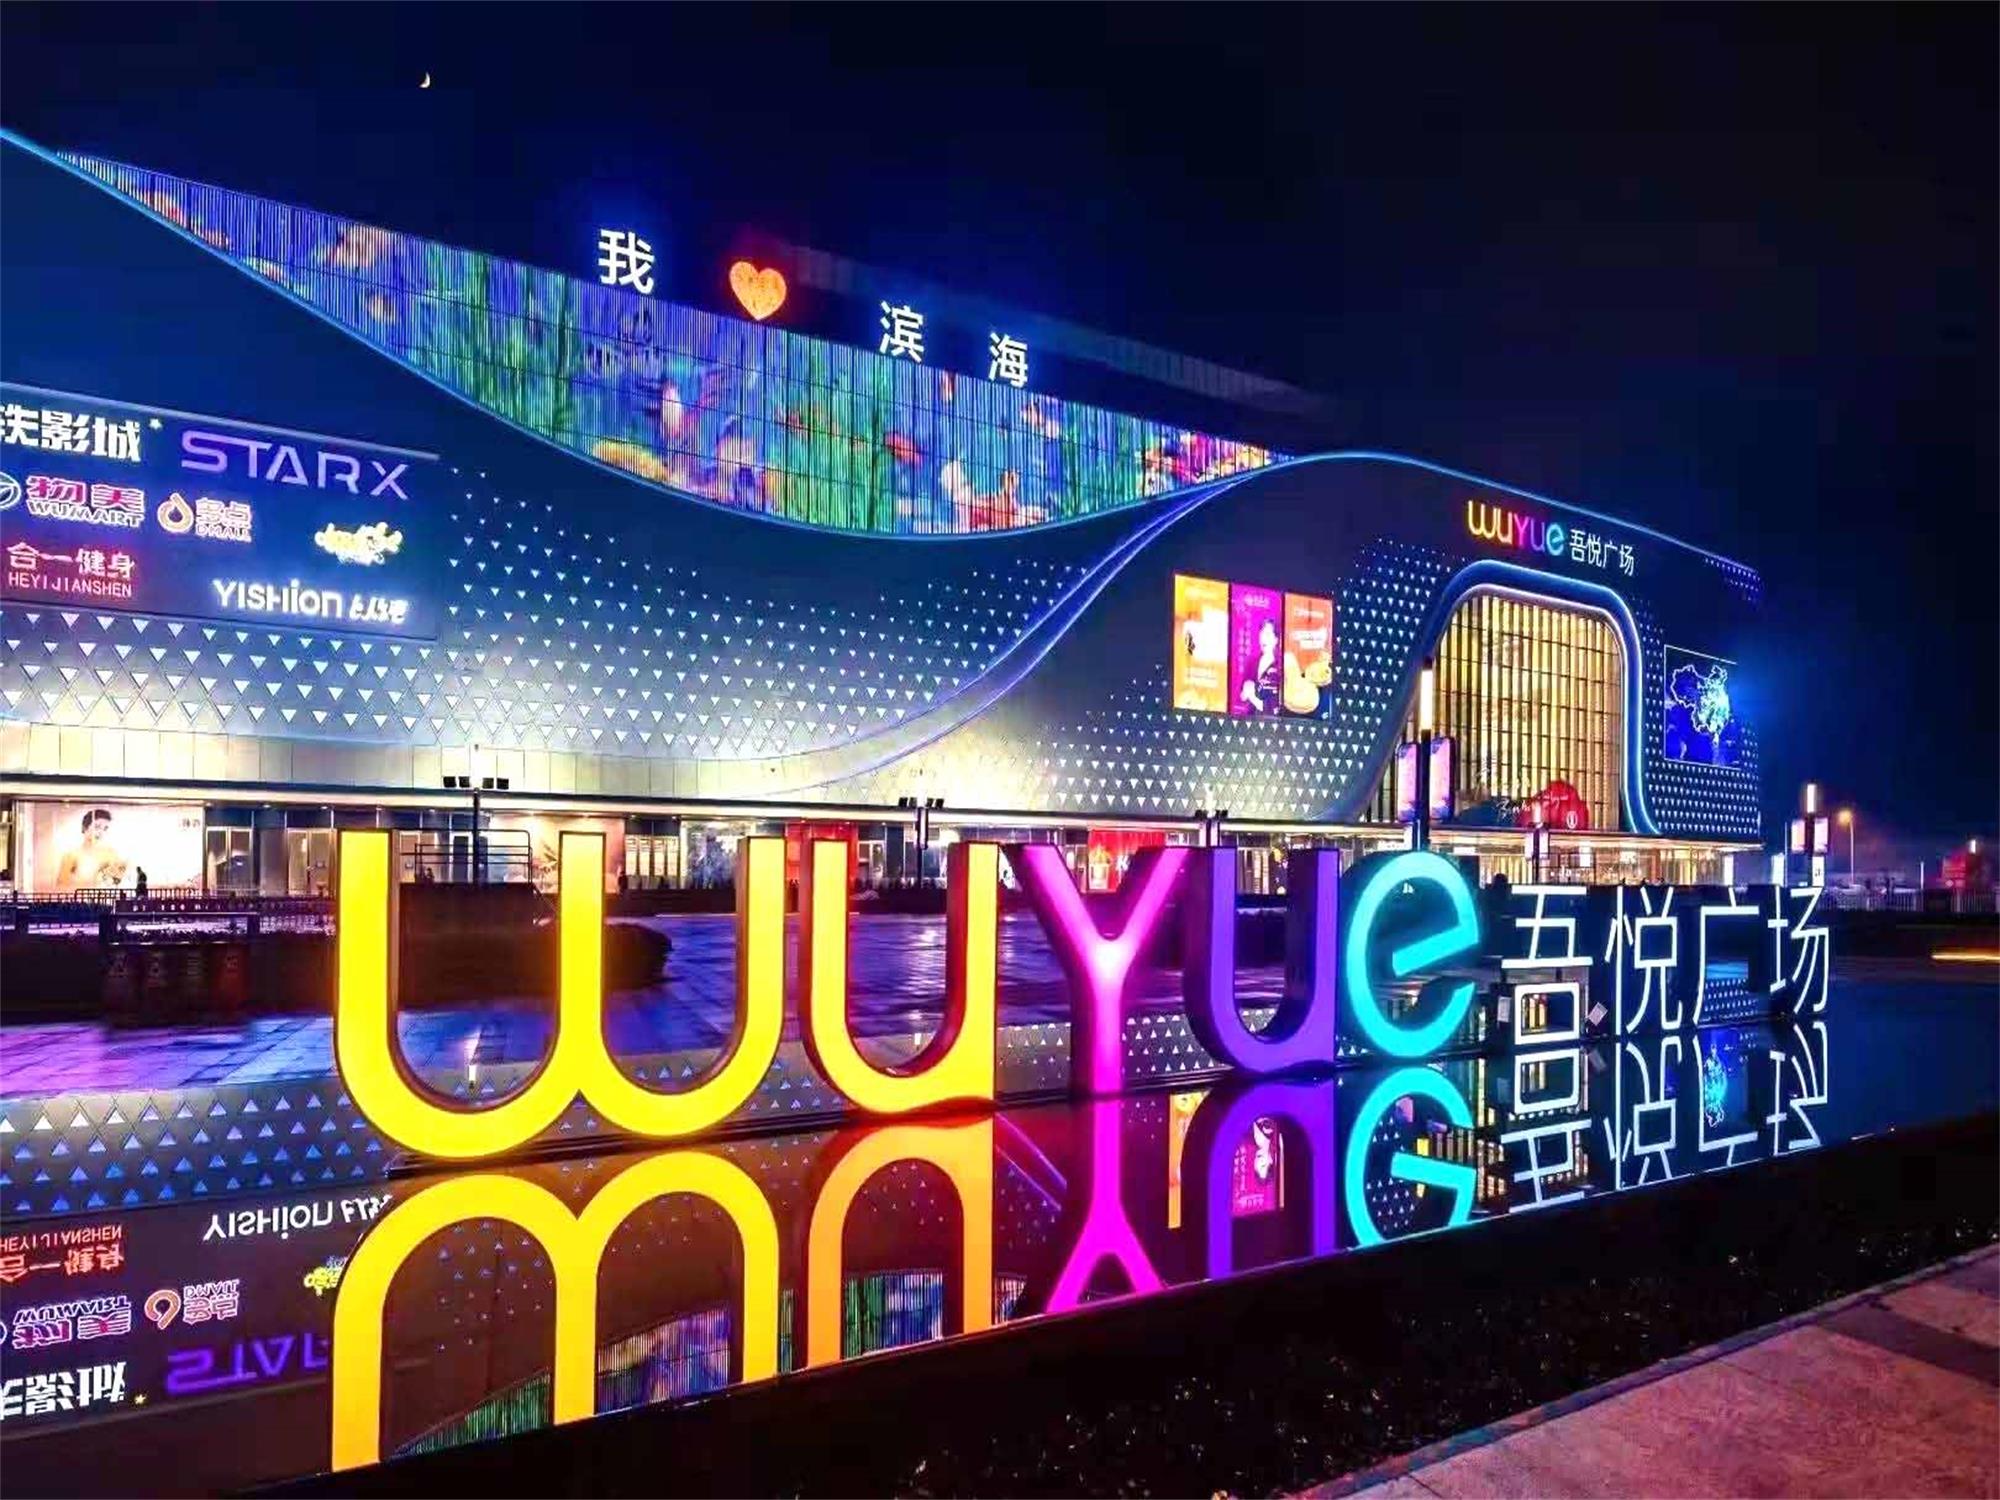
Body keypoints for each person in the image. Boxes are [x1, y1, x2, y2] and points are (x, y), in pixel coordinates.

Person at [54, 807, 128, 891]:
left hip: (104, 897)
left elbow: (117, 881)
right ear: (85, 827)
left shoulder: (111, 853)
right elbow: (61, 887)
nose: (100, 832)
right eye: (97, 827)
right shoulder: (71, 855)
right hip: (80, 897)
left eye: (105, 828)